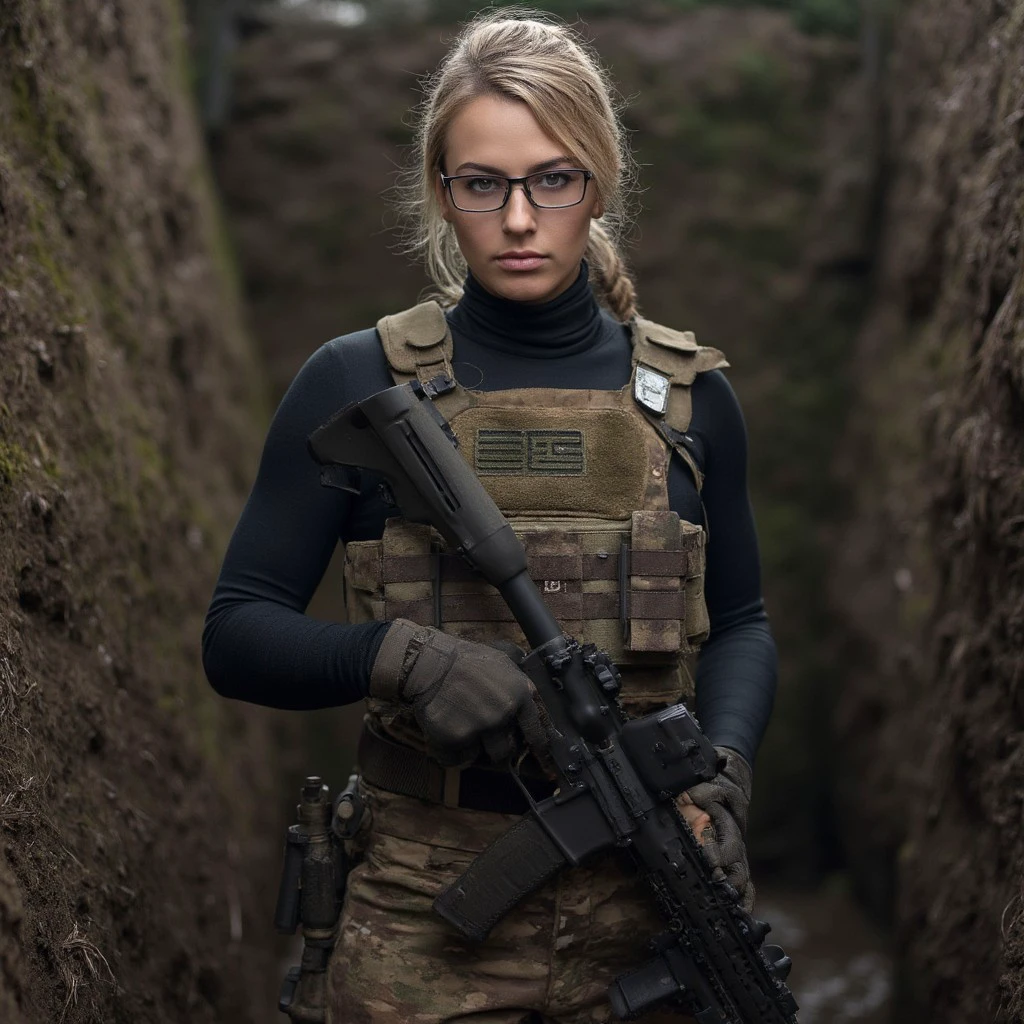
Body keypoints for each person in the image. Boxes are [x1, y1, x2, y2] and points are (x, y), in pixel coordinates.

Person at [203, 11, 777, 1023]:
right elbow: (237, 634)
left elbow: (741, 623)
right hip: (420, 910)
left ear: (597, 183)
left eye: (552, 179)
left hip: (651, 905)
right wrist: (401, 657)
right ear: (440, 188)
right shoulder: (357, 381)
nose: (520, 219)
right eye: (484, 184)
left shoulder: (689, 401)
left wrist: (722, 771)